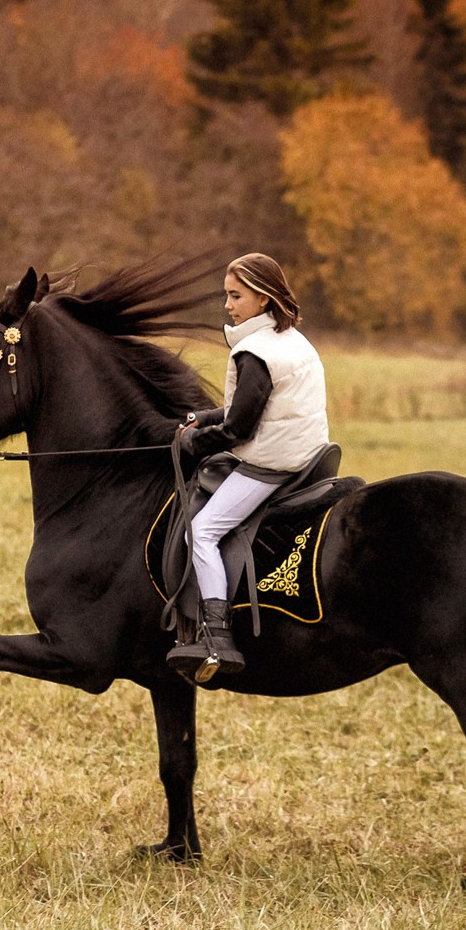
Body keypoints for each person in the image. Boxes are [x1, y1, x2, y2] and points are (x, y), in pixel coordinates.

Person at [166, 254, 330, 681]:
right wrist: (204, 417)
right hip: (306, 451)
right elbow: (256, 404)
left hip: (272, 463)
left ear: (262, 298)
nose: (227, 305)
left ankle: (218, 636)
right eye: (227, 295)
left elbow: (240, 427)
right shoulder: (289, 337)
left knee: (200, 530)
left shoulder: (253, 351)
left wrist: (193, 443)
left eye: (235, 296)